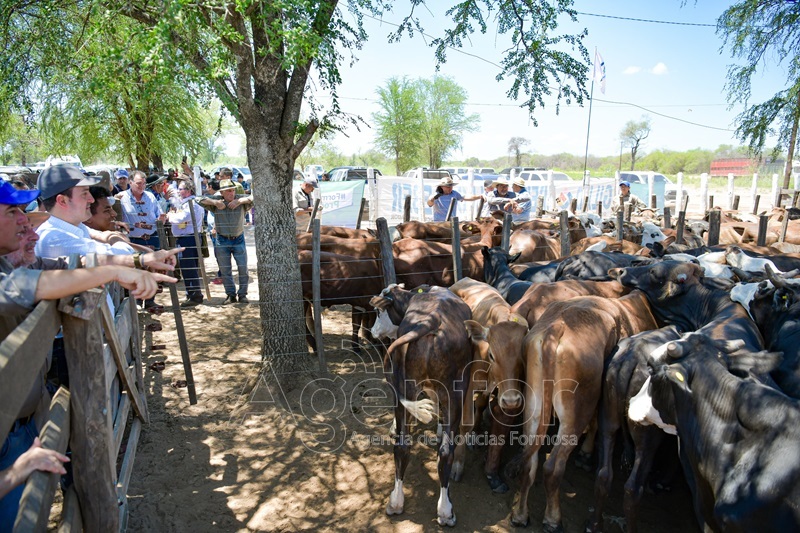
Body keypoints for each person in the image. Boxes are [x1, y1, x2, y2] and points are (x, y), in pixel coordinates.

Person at [0, 183, 175, 528]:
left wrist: (136, 259)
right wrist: (115, 272)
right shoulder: (8, 275)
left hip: (17, 424)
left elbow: (73, 263)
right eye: (12, 212)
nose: (25, 222)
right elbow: (34, 285)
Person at [36, 166, 181, 312]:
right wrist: (128, 247)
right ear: (62, 201)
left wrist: (141, 252)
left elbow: (103, 236)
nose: (91, 199)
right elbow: (119, 254)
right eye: (84, 194)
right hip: (90, 331)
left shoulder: (73, 227)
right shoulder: (54, 238)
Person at [198, 178, 253, 304]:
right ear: (221, 193)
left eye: (233, 190)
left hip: (238, 238)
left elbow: (256, 196)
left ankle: (243, 295)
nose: (231, 193)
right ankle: (230, 295)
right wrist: (216, 203)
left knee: (243, 268)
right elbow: (198, 199)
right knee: (225, 270)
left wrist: (240, 200)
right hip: (221, 240)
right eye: (228, 191)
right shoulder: (217, 202)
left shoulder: (241, 200)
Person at [167, 181, 206, 307]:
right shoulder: (186, 203)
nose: (178, 191)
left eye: (181, 189)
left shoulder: (192, 204)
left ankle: (195, 295)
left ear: (188, 191)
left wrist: (170, 216)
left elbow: (180, 218)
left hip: (188, 238)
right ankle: (191, 293)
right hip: (186, 238)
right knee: (187, 267)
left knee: (189, 268)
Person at [117, 171, 164, 250]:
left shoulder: (150, 196)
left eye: (144, 183)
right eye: (139, 183)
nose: (142, 186)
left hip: (152, 238)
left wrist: (161, 219)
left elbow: (159, 215)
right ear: (130, 182)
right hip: (133, 241)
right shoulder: (121, 197)